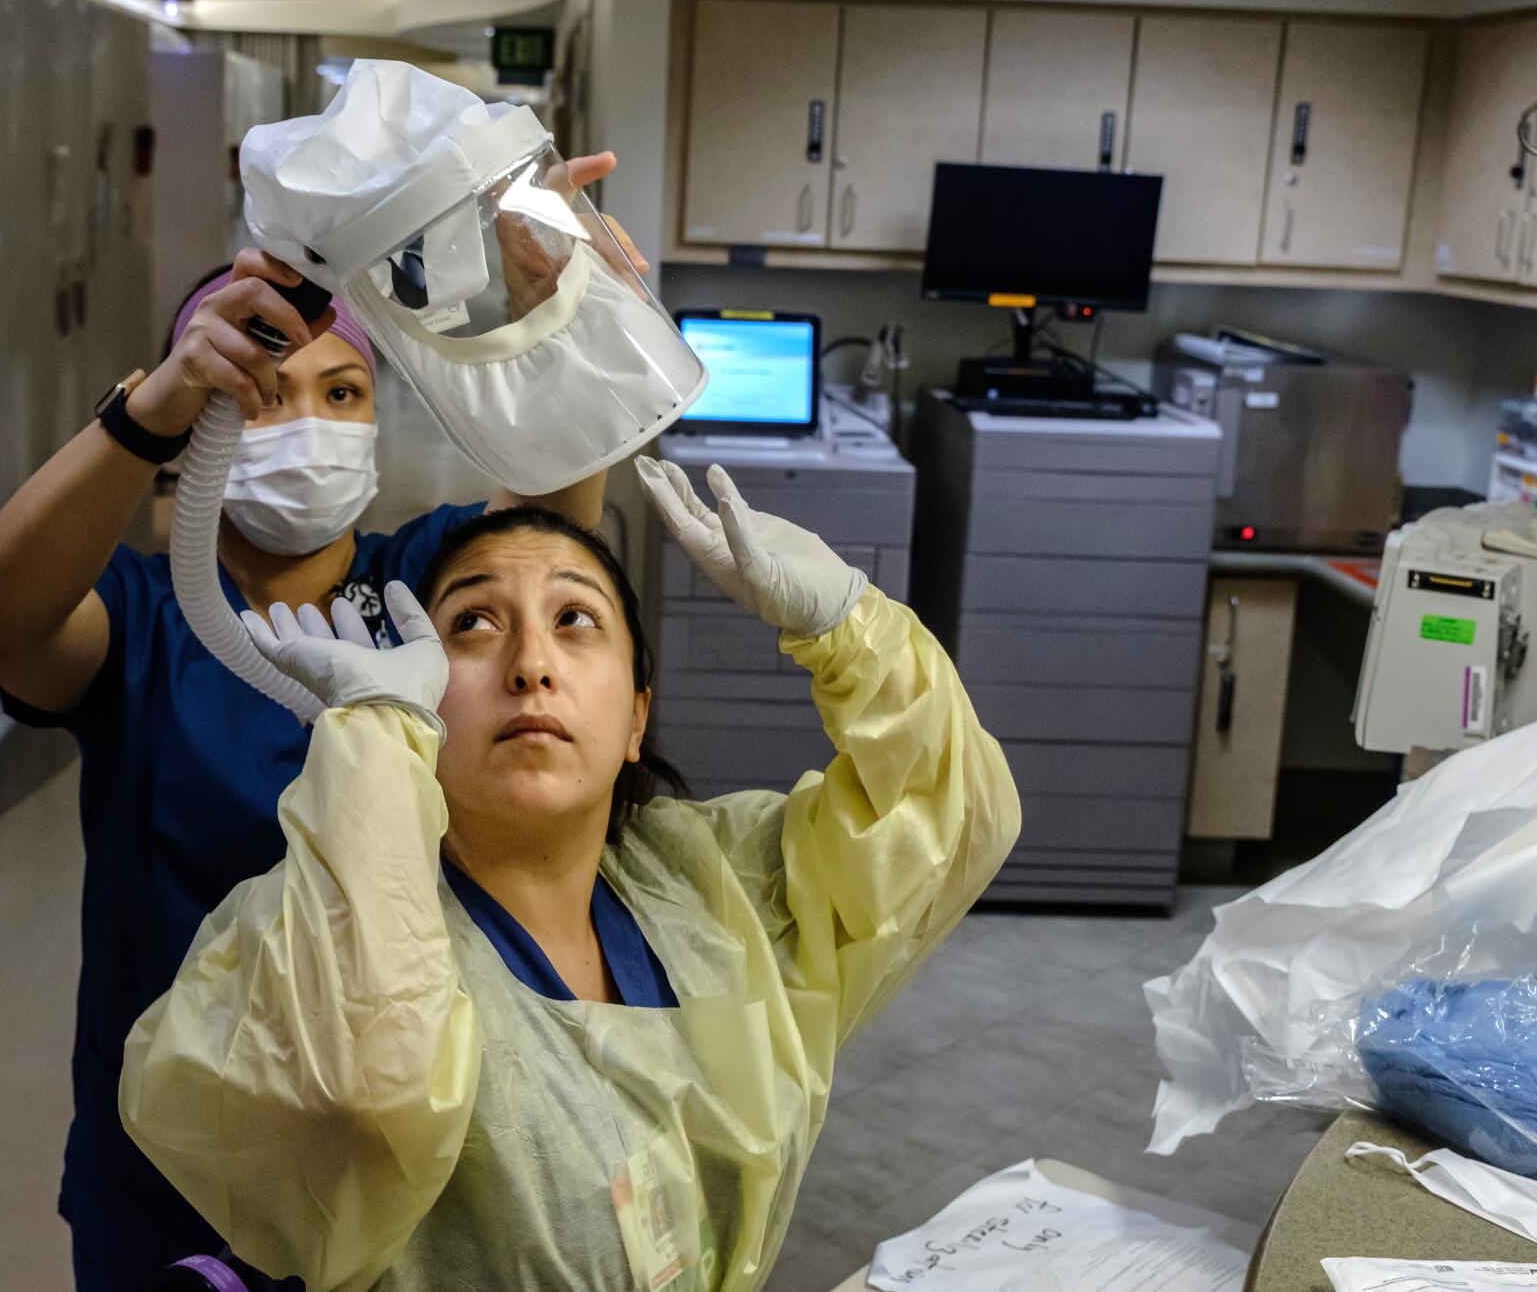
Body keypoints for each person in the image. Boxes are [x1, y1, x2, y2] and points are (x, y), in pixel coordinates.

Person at [0, 151, 634, 1291]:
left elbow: (557, 513)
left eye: (342, 393)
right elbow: (2, 612)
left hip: (407, 1139)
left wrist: (552, 311)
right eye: (264, 392)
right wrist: (149, 411)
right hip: (179, 1159)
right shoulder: (147, 616)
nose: (309, 418)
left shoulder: (422, 584)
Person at [119, 459, 1024, 1290]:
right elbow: (364, 1096)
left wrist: (849, 630)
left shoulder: (720, 892)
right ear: (415, 698)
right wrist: (370, 744)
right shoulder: (309, 936)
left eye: (575, 620)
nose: (531, 666)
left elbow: (954, 825)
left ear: (636, 720)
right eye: (472, 623)